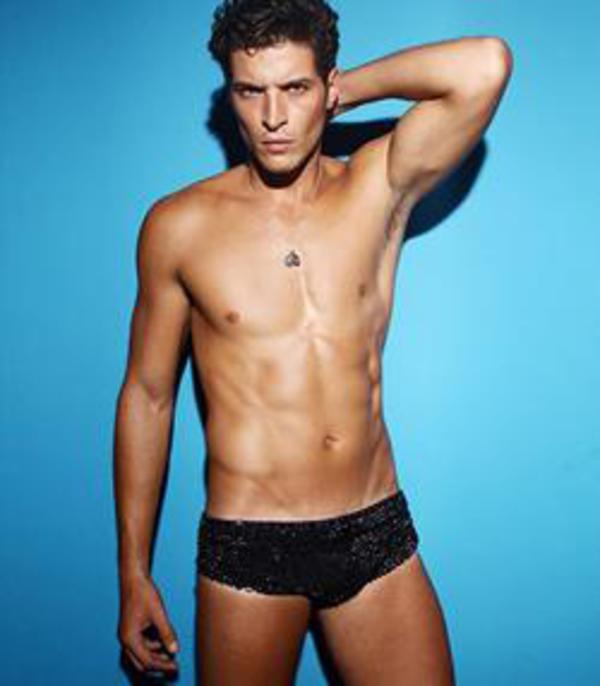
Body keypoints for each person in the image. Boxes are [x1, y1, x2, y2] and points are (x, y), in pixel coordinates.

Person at [113, 0, 513, 683]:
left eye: (294, 88)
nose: (272, 116)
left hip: (374, 531)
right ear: (229, 95)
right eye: (250, 91)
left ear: (326, 86)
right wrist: (133, 572)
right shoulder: (179, 226)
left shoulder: (377, 185)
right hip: (251, 547)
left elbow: (484, 64)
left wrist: (340, 92)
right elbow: (148, 397)